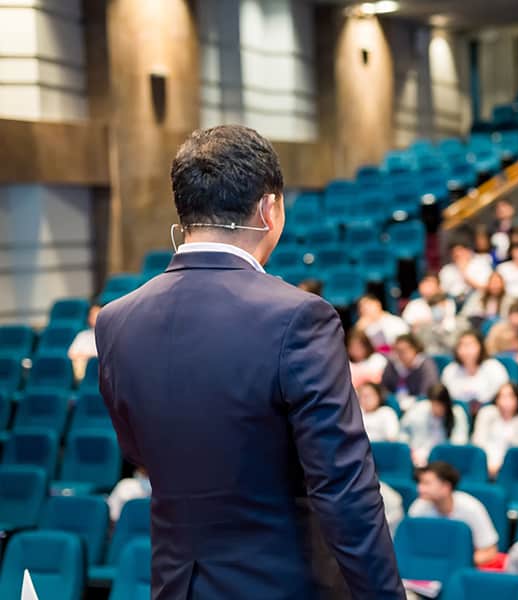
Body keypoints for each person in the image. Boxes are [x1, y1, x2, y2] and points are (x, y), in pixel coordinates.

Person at [95, 125, 402, 597]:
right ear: (269, 209)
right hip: (280, 584)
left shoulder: (116, 320)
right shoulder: (299, 316)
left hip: (178, 585)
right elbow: (343, 487)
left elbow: (139, 452)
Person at [408, 461, 500, 567]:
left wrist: (458, 561)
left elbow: (490, 551)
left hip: (461, 570)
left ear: (446, 487)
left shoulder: (471, 508)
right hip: (427, 566)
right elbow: (411, 546)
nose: (420, 488)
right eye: (420, 483)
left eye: (426, 483)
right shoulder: (418, 507)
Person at [472, 383, 518, 478]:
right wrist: (486, 464)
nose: (506, 401)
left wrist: (499, 467)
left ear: (517, 399)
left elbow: (516, 452)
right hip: (482, 464)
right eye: (502, 396)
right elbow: (478, 441)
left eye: (510, 396)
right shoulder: (487, 413)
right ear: (496, 399)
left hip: (507, 468)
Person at [399, 384, 469, 467]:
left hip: (444, 461)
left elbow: (460, 442)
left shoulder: (457, 413)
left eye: (440, 405)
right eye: (433, 404)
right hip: (417, 458)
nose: (436, 408)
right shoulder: (418, 409)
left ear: (446, 404)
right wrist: (410, 451)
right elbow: (403, 432)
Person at [440, 331, 509, 409]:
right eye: (462, 345)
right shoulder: (450, 370)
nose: (466, 350)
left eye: (470, 345)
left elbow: (504, 397)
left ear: (480, 346)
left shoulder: (493, 367)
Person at [401, 273, 457, 354]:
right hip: (421, 343)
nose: (427, 286)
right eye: (425, 283)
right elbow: (410, 326)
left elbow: (448, 324)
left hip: (444, 342)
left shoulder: (447, 303)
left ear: (439, 287)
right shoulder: (414, 304)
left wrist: (423, 322)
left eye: (431, 283)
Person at [380, 334, 440, 401]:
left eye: (404, 350)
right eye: (398, 351)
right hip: (397, 404)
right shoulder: (392, 365)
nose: (401, 354)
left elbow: (427, 391)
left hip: (420, 404)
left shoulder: (426, 365)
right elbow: (383, 389)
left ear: (415, 348)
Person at [485, 301, 518, 367]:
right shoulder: (498, 330)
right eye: (513, 317)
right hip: (500, 364)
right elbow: (490, 350)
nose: (515, 320)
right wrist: (512, 357)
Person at [439, 238, 493, 303]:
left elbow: (486, 288)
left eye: (461, 252)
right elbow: (442, 291)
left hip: (475, 300)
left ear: (468, 251)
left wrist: (464, 273)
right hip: (452, 301)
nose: (458, 255)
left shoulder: (481, 263)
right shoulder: (447, 269)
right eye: (454, 253)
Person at [68, 303, 100, 381]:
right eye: (92, 315)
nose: (94, 317)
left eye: (97, 314)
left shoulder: (110, 335)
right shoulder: (82, 335)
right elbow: (71, 354)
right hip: (83, 371)